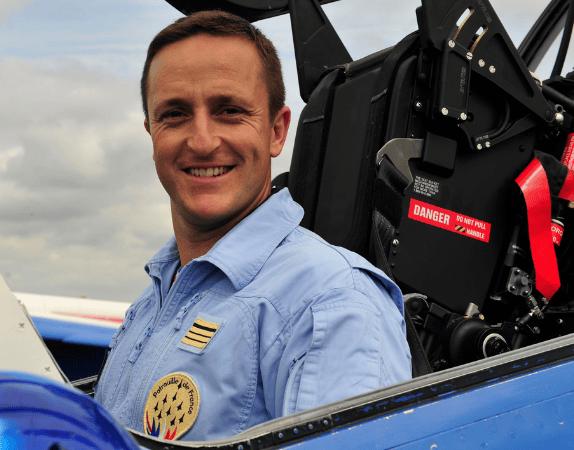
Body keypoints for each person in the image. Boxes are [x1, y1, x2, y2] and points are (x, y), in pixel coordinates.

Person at [94, 10, 411, 441]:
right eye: (175, 114)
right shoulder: (151, 304)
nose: (202, 141)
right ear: (151, 132)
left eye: (229, 111)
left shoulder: (331, 304)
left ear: (277, 132)